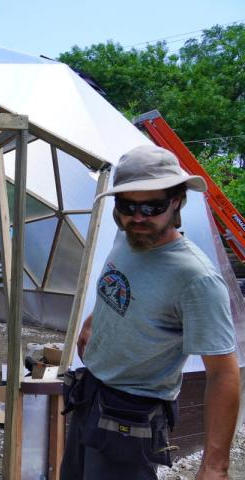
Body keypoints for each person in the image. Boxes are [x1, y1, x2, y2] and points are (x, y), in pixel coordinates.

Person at [60, 145, 240, 480]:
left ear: (176, 202)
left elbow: (224, 374)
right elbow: (123, 285)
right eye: (127, 205)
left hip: (131, 415)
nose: (138, 217)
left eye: (152, 206)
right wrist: (93, 322)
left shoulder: (195, 278)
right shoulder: (128, 235)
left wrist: (215, 465)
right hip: (91, 393)